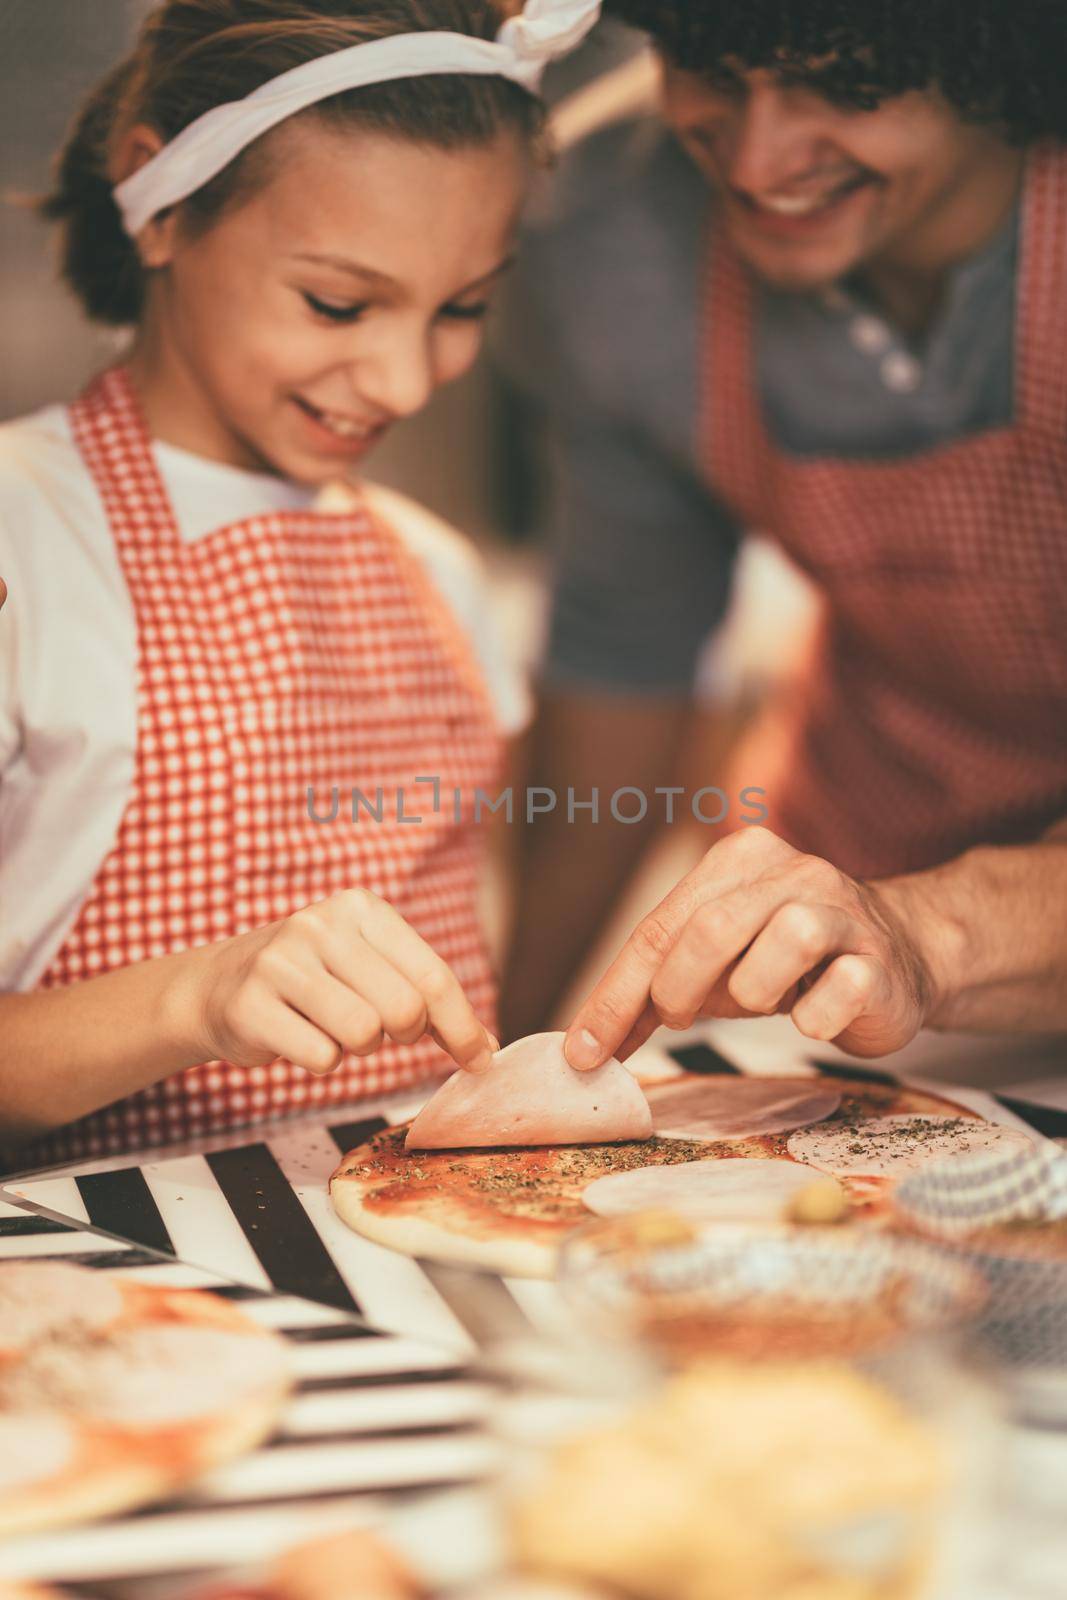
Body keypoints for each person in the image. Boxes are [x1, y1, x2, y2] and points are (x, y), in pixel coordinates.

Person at [0, 0, 600, 1165]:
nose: (403, 379)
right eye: (338, 302)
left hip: (416, 1250)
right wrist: (194, 999)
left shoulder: (437, 571)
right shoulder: (23, 535)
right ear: (162, 204)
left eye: (463, 307)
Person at [496, 0, 1067, 1070]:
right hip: (853, 883)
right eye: (708, 66)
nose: (756, 161)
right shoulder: (606, 237)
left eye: (847, 83)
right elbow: (624, 657)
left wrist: (929, 931)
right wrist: (509, 1037)